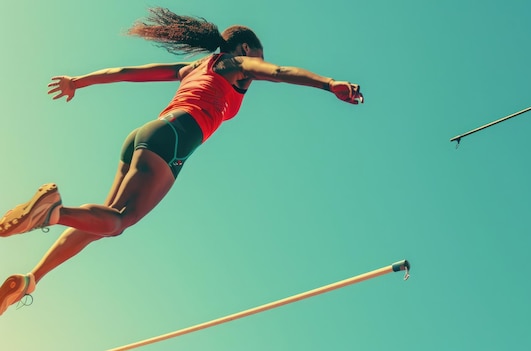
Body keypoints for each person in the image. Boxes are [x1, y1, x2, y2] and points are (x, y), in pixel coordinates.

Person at [0, 7, 363, 316]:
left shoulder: (195, 67)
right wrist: (329, 83)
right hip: (176, 137)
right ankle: (53, 212)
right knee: (121, 221)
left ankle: (33, 277)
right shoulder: (237, 63)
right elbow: (282, 73)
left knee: (103, 217)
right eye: (258, 58)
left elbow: (129, 72)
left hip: (147, 134)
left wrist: (79, 81)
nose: (258, 69)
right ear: (248, 48)